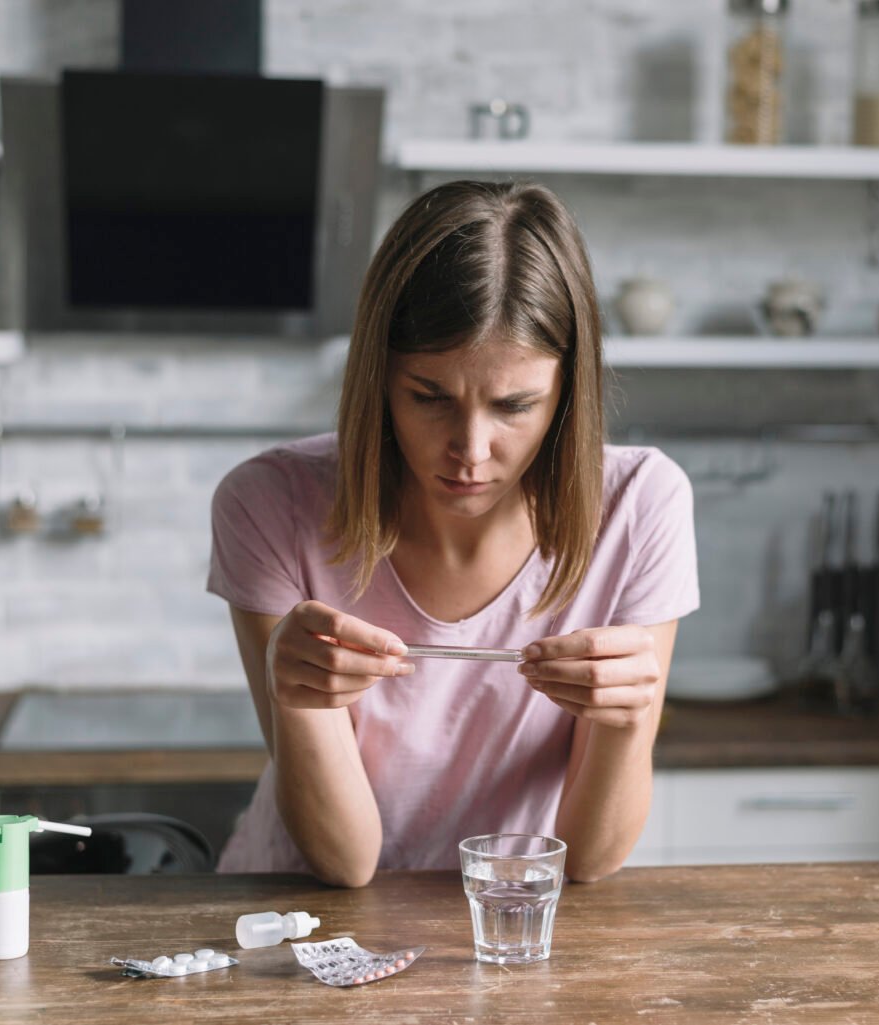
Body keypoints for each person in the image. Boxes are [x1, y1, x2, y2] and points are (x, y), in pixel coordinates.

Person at [207, 180, 698, 887]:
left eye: (514, 405)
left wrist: (625, 721)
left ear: (566, 394)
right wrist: (301, 699)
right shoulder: (268, 503)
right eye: (429, 397)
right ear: (379, 378)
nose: (469, 449)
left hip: (508, 919)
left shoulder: (641, 504)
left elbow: (588, 860)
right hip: (303, 920)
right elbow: (345, 862)